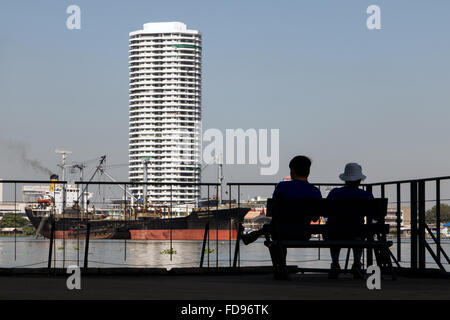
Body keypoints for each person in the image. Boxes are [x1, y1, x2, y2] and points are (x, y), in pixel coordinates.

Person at [241, 156, 322, 276]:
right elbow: (316, 217)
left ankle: (280, 267)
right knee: (274, 229)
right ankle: (256, 236)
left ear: (292, 171)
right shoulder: (315, 191)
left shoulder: (282, 186)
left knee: (274, 232)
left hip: (281, 233)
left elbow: (273, 212)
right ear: (308, 171)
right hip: (304, 234)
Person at [325, 162, 374, 279]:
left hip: (335, 233)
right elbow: (376, 215)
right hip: (356, 233)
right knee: (360, 232)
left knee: (332, 230)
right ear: (359, 180)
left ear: (345, 179)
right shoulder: (366, 195)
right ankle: (357, 263)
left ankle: (335, 263)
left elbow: (325, 213)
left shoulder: (334, 193)